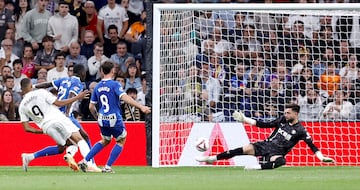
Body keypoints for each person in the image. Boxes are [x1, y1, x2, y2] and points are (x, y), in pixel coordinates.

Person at [196, 103, 334, 170]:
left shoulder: (300, 130)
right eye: (285, 112)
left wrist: (322, 158)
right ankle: (211, 159)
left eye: (288, 113)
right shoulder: (281, 120)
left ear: (295, 114)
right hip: (264, 145)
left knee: (282, 161)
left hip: (277, 153)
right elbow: (264, 125)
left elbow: (312, 146)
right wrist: (245, 119)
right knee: (236, 151)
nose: (285, 115)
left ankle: (258, 167)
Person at [78, 60, 151, 173]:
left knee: (105, 141)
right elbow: (124, 97)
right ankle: (107, 167)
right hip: (114, 117)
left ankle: (85, 160)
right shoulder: (115, 84)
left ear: (102, 71)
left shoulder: (97, 87)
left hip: (102, 118)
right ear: (113, 71)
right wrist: (140, 107)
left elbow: (91, 107)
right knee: (121, 140)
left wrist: (97, 118)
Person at [33, 64, 99, 172]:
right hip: (66, 115)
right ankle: (90, 164)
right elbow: (72, 96)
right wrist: (67, 114)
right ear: (82, 73)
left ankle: (69, 154)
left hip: (56, 113)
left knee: (65, 145)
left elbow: (48, 84)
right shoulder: (78, 83)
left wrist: (34, 86)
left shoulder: (64, 80)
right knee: (84, 138)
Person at [19, 78, 92, 172]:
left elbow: (27, 128)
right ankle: (88, 164)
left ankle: (30, 157)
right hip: (57, 118)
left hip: (47, 127)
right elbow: (59, 103)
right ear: (30, 86)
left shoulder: (22, 106)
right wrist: (77, 97)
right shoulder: (41, 92)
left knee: (63, 147)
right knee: (79, 139)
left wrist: (43, 131)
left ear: (22, 89)